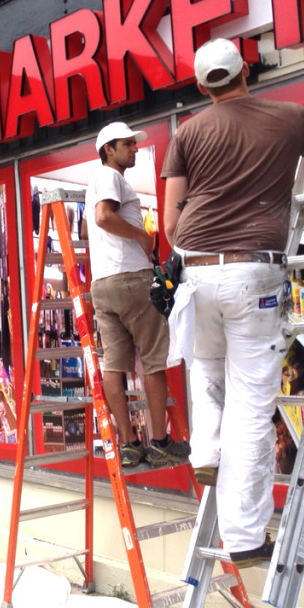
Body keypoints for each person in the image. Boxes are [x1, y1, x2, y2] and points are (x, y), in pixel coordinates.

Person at [161, 39, 304, 567]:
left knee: (206, 366)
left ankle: (204, 451)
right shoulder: (289, 118)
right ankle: (245, 537)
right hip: (254, 269)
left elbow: (169, 223)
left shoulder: (189, 133)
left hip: (196, 270)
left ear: (203, 86)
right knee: (250, 403)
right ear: (246, 71)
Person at [84, 121, 190, 469]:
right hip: (131, 278)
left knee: (114, 364)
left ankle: (129, 444)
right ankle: (159, 441)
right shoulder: (110, 177)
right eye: (126, 144)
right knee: (154, 360)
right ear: (108, 150)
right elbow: (103, 217)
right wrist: (143, 238)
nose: (134, 148)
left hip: (103, 284)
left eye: (133, 143)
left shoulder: (101, 180)